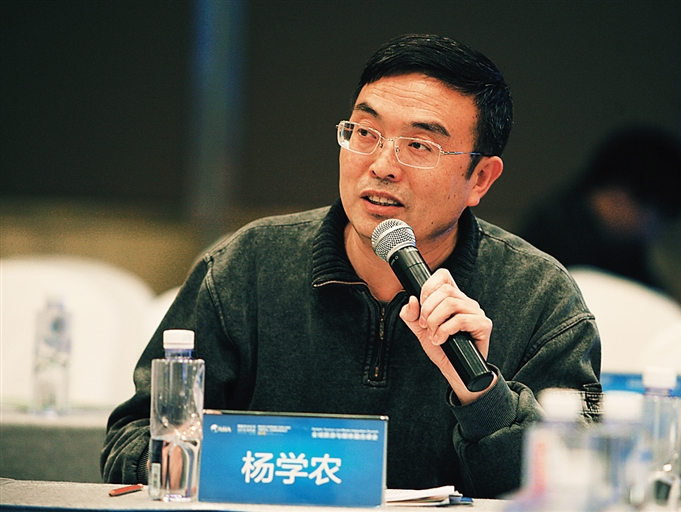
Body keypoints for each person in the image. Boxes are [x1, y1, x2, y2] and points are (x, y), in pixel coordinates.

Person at [101, 34, 601, 498]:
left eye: (419, 145)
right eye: (365, 132)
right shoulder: (246, 268)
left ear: (481, 179)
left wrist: (483, 395)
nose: (382, 165)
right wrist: (236, 463)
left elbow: (573, 487)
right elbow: (131, 442)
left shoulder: (541, 300)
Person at [521, 126, 681, 293]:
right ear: (620, 195)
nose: (653, 231)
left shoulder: (619, 243)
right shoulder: (554, 238)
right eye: (657, 217)